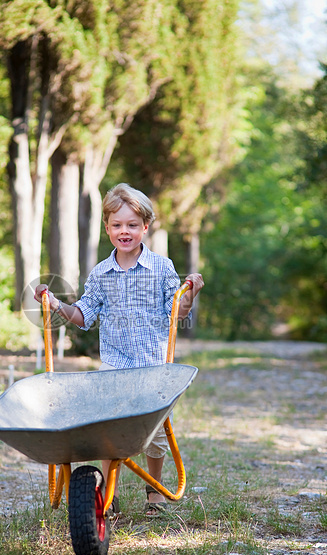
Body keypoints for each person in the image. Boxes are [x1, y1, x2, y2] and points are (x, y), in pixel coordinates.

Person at [35, 183, 204, 517]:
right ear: (107, 228)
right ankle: (105, 499)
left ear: (145, 227)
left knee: (154, 435)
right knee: (109, 430)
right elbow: (84, 315)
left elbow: (178, 312)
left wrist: (190, 294)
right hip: (115, 365)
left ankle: (154, 491)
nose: (124, 231)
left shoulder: (162, 267)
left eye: (131, 225)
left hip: (154, 365)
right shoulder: (101, 273)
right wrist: (57, 305)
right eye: (116, 225)